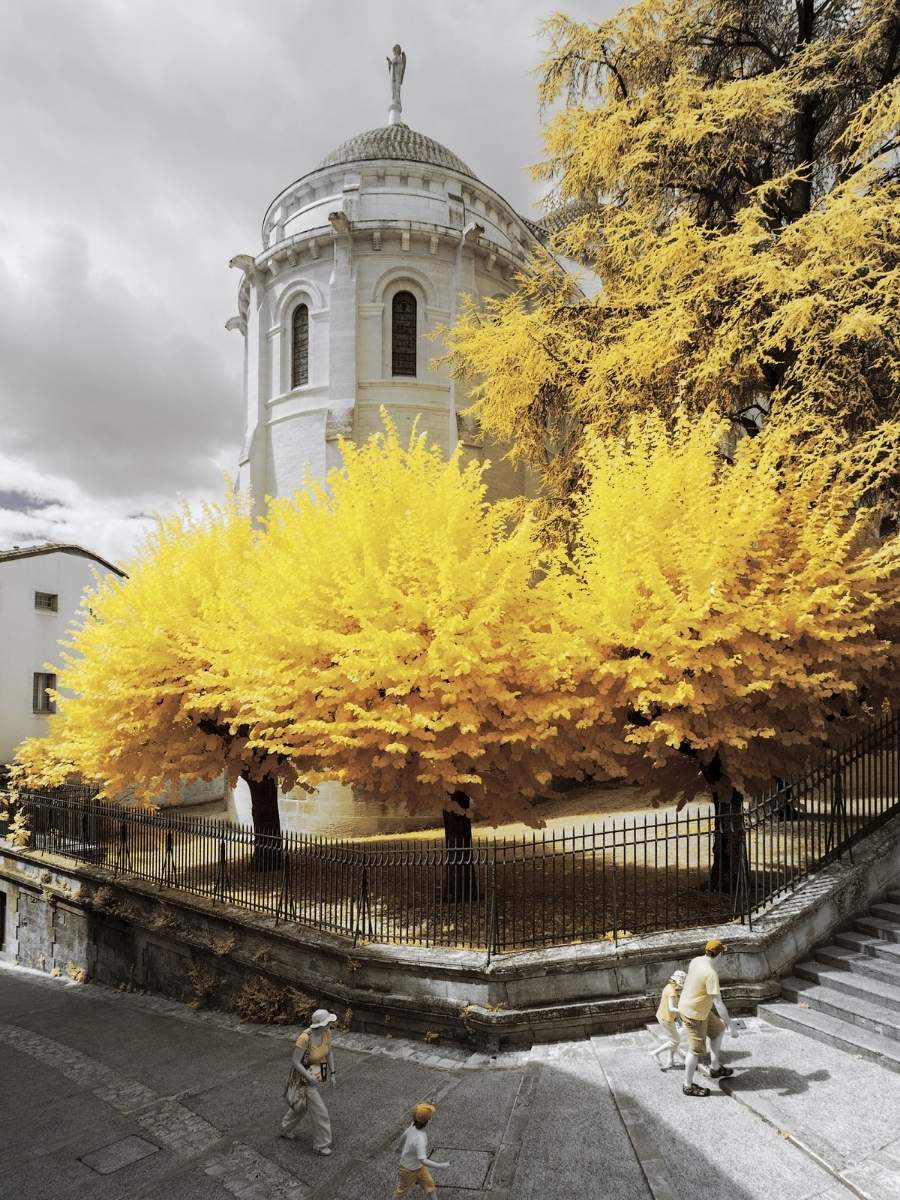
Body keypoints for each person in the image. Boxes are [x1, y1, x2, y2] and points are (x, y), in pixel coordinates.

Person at [678, 938, 738, 1097]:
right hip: (694, 1014)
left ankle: (715, 1067)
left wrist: (725, 1025)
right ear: (719, 955)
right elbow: (718, 1003)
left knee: (718, 1030)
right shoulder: (711, 974)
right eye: (722, 953)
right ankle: (688, 1086)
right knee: (695, 1051)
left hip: (697, 1008)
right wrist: (731, 1025)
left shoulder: (696, 960)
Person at [280, 1007, 338, 1154]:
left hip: (316, 1071)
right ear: (321, 1024)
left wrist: (332, 1073)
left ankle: (285, 1128)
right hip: (303, 1077)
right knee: (320, 1111)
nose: (330, 1024)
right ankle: (321, 1145)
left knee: (302, 1106)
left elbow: (329, 1052)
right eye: (328, 1022)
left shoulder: (327, 1033)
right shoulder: (304, 1038)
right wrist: (309, 1077)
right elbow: (295, 1062)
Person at [394, 1102, 450, 1197]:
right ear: (428, 1121)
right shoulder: (420, 1139)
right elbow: (423, 1160)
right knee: (402, 1190)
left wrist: (399, 1148)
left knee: (430, 1184)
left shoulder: (412, 1126)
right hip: (408, 1170)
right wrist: (440, 1166)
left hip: (418, 1167)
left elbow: (403, 1136)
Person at [648, 969, 687, 1069]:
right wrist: (683, 1011)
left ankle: (670, 1060)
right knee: (675, 1041)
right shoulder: (672, 991)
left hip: (665, 1016)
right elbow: (671, 1008)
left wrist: (679, 1019)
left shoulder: (669, 986)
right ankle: (655, 1053)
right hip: (665, 1018)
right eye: (682, 981)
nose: (681, 985)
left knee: (674, 1039)